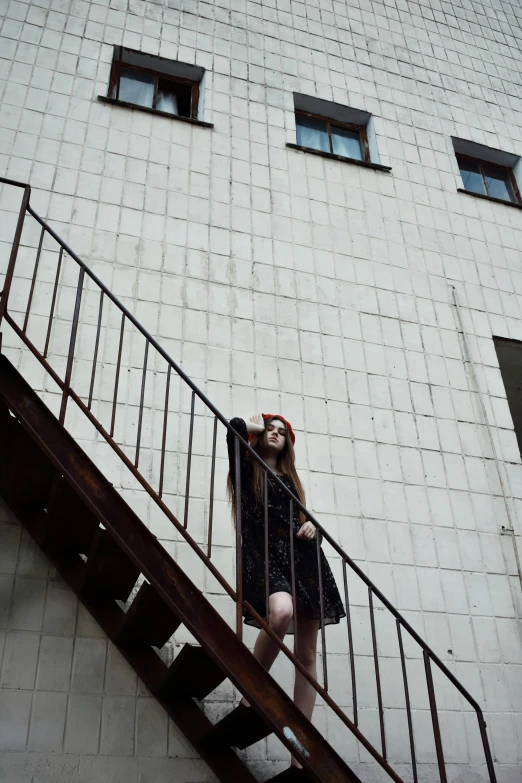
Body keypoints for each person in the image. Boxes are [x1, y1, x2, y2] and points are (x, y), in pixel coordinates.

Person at [226, 413, 345, 767]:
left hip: (305, 563)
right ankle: (251, 688)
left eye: (282, 432)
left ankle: (300, 751)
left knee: (307, 657)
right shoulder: (249, 469)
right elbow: (234, 429)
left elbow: (300, 521)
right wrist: (262, 428)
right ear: (261, 437)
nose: (275, 434)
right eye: (270, 431)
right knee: (279, 612)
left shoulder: (290, 479)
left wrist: (312, 528)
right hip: (266, 559)